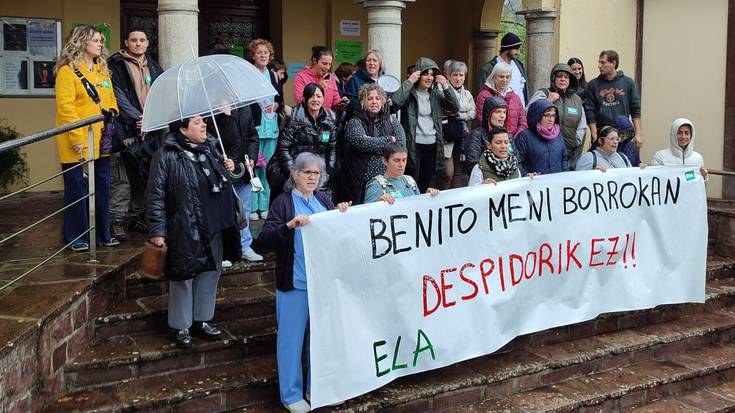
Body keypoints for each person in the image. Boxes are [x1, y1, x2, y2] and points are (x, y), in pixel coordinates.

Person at [255, 152, 350, 413]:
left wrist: (343, 214)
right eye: (306, 172)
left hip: (321, 285)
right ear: (294, 175)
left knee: (320, 340)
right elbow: (263, 241)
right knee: (291, 341)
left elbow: (339, 235)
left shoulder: (323, 200)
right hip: (294, 284)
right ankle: (291, 394)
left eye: (316, 173)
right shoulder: (283, 203)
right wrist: (288, 226)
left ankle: (317, 388)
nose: (311, 177)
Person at [146, 115, 242, 349]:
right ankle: (182, 325)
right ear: (183, 128)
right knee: (184, 275)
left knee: (211, 273)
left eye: (203, 122)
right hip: (185, 225)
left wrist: (231, 167)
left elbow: (225, 181)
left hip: (216, 223)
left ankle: (202, 319)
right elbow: (155, 195)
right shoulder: (166, 155)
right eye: (198, 122)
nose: (204, 125)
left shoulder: (210, 148)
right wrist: (157, 231)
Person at [55, 25, 119, 251]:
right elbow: (66, 109)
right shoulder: (67, 71)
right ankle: (76, 236)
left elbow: (110, 98)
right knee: (77, 190)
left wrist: (113, 112)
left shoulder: (101, 70)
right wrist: (78, 140)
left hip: (102, 141)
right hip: (77, 142)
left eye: (101, 40)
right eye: (96, 40)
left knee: (103, 186)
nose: (101, 44)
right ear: (81, 42)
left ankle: (102, 233)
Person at [107, 28, 164, 241]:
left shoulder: (154, 66)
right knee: (122, 179)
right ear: (126, 42)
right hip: (125, 129)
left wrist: (153, 118)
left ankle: (137, 218)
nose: (138, 44)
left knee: (144, 176)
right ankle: (116, 221)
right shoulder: (117, 65)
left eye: (142, 40)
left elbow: (161, 94)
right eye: (134, 40)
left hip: (150, 131)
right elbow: (116, 95)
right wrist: (138, 118)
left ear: (148, 43)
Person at [391, 57, 460, 193]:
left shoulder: (435, 94)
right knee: (411, 182)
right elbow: (395, 102)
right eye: (425, 74)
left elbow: (455, 107)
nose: (429, 78)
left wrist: (446, 86)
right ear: (418, 75)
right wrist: (409, 82)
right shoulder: (409, 94)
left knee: (426, 182)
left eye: (432, 74)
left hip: (433, 145)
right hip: (414, 145)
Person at [204, 105, 263, 262]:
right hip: (223, 171)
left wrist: (252, 157)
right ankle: (223, 250)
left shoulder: (244, 108)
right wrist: (222, 159)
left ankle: (244, 246)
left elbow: (253, 136)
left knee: (244, 209)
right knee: (223, 211)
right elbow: (208, 142)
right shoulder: (211, 113)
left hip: (243, 171)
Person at [267, 83, 337, 202]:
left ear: (323, 99)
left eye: (318, 96)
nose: (315, 100)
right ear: (305, 99)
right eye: (311, 96)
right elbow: (283, 148)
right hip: (296, 173)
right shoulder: (294, 118)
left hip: (319, 173)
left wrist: (328, 172)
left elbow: (332, 149)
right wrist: (293, 173)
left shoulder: (329, 120)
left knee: (320, 207)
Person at [340, 84, 406, 204]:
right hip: (360, 180)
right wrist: (389, 140)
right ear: (363, 102)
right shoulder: (355, 121)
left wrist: (373, 143)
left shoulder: (392, 120)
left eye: (377, 98)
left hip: (388, 178)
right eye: (369, 99)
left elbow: (400, 145)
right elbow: (361, 141)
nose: (374, 102)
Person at [248, 39, 284, 221]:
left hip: (272, 127)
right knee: (253, 168)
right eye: (259, 53)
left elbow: (281, 100)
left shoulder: (274, 76)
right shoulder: (248, 75)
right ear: (253, 55)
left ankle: (264, 206)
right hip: (256, 128)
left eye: (266, 53)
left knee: (265, 168)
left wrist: (277, 104)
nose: (263, 56)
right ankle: (253, 207)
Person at [528, 64, 587, 169]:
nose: (563, 79)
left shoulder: (577, 100)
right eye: (560, 76)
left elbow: (582, 125)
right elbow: (528, 113)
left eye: (566, 76)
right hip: (546, 151)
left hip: (570, 154)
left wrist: (576, 141)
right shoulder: (544, 93)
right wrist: (547, 101)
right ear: (553, 78)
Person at [584, 50, 642, 149]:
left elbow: (635, 109)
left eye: (603, 62)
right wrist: (594, 134)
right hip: (603, 134)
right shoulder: (593, 85)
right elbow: (589, 111)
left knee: (624, 162)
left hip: (623, 135)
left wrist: (638, 134)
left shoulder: (628, 83)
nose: (599, 65)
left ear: (613, 63)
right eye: (599, 62)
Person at [364, 142, 440, 204]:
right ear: (385, 161)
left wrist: (428, 197)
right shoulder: (376, 185)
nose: (401, 164)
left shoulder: (410, 180)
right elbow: (365, 215)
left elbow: (418, 207)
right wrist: (378, 203)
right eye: (396, 160)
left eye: (404, 160)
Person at [442, 60, 476, 188]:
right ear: (449, 76)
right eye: (455, 75)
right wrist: (465, 108)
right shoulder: (442, 90)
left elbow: (473, 113)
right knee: (448, 172)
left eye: (461, 75)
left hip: (462, 134)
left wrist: (459, 115)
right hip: (447, 134)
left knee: (458, 171)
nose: (458, 78)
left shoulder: (467, 93)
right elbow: (449, 107)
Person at [514, 99, 569, 176]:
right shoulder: (524, 136)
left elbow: (564, 158)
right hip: (534, 185)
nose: (551, 119)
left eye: (553, 116)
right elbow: (516, 162)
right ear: (537, 116)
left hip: (557, 184)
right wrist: (526, 175)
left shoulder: (558, 134)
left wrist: (565, 175)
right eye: (547, 115)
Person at [476, 32, 529, 107]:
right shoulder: (488, 69)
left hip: (520, 114)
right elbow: (482, 97)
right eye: (516, 49)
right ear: (507, 48)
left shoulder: (519, 65)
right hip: (500, 114)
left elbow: (524, 91)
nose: (518, 52)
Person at [475, 62, 527, 137]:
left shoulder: (515, 97)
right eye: (501, 77)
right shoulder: (484, 96)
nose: (505, 80)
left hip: (513, 142)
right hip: (492, 141)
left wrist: (513, 139)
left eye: (507, 77)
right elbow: (482, 121)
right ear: (494, 77)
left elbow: (523, 122)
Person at [293, 46, 349, 113]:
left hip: (326, 119)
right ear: (314, 60)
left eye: (329, 64)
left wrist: (340, 103)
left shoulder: (330, 77)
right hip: (307, 118)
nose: (327, 67)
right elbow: (300, 101)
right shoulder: (301, 76)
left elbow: (335, 99)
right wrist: (318, 88)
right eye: (324, 63)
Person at [463, 96, 509, 169]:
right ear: (488, 114)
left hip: (509, 178)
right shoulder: (476, 135)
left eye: (504, 112)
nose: (503, 116)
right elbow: (473, 164)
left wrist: (527, 177)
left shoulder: (508, 135)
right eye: (498, 112)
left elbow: (517, 162)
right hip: (486, 178)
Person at [344, 50, 384, 114]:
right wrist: (367, 105)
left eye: (374, 60)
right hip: (360, 119)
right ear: (364, 64)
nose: (371, 63)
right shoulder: (355, 79)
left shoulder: (385, 81)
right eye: (368, 60)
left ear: (380, 64)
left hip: (382, 120)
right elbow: (350, 103)